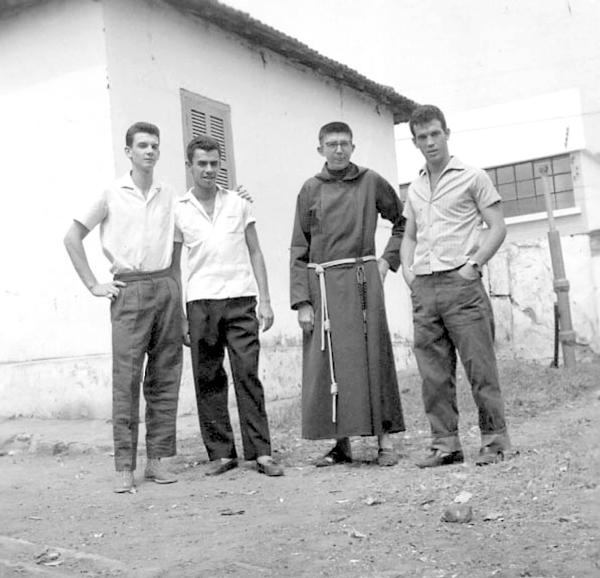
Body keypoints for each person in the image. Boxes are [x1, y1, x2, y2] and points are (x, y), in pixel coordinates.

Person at [64, 121, 182, 493]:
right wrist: (94, 284)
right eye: (143, 145)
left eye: (155, 146)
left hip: (165, 286)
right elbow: (72, 237)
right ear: (128, 151)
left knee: (165, 378)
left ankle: (158, 461)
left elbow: (176, 251)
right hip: (128, 291)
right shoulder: (111, 192)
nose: (150, 151)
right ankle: (124, 465)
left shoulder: (168, 194)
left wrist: (176, 297)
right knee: (127, 380)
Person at [400, 104, 511, 468]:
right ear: (415, 142)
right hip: (425, 288)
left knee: (479, 367)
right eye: (422, 137)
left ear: (446, 133)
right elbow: (409, 235)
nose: (430, 142)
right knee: (433, 374)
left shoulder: (473, 176)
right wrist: (409, 273)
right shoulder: (415, 187)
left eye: (435, 134)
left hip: (461, 285)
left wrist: (473, 265)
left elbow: (497, 226)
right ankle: (444, 444)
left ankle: (494, 441)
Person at [290, 121, 406, 467]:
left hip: (361, 278)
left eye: (344, 143)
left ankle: (385, 442)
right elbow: (299, 246)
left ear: (353, 147)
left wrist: (387, 260)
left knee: (373, 356)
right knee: (331, 362)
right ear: (320, 149)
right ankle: (342, 445)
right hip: (323, 284)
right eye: (331, 144)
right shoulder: (310, 189)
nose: (338, 149)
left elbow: (403, 220)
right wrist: (302, 301)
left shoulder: (371, 181)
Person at [175, 135, 283, 477]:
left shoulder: (238, 203)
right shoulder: (178, 209)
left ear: (220, 164)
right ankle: (221, 453)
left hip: (240, 298)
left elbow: (255, 251)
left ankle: (261, 452)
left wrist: (265, 300)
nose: (208, 170)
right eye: (201, 163)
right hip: (200, 302)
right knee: (208, 377)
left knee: (247, 373)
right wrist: (180, 315)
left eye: (214, 163)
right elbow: (174, 265)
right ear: (189, 166)